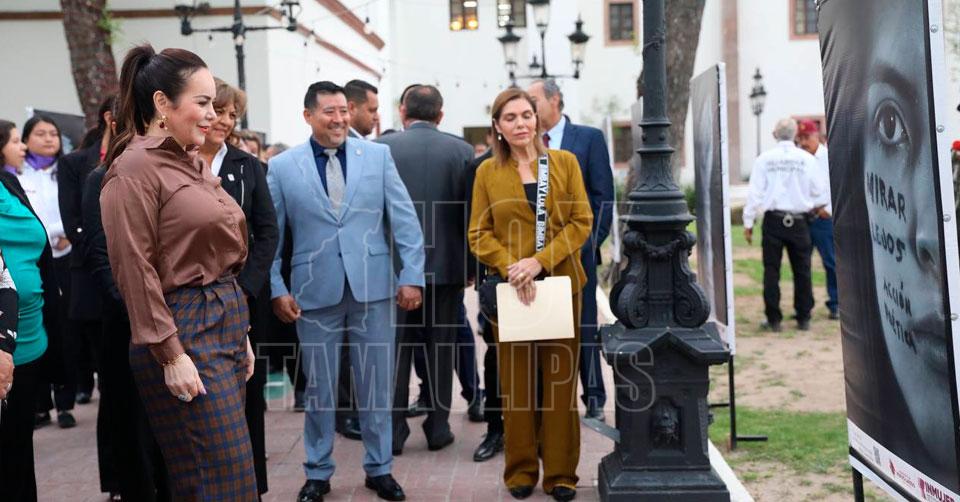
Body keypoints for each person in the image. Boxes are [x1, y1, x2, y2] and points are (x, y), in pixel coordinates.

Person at [99, 44, 258, 500]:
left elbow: (218, 251)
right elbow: (134, 269)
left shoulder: (191, 161)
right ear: (162, 104)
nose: (213, 115)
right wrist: (170, 354)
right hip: (182, 328)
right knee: (213, 479)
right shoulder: (133, 169)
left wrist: (240, 331)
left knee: (234, 477)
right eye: (202, 102)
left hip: (223, 322)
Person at [267, 81, 424, 502]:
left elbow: (405, 220)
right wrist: (276, 287)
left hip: (374, 290)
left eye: (343, 111)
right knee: (319, 389)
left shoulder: (377, 156)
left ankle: (380, 468)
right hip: (312, 293)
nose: (339, 119)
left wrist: (411, 275)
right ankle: (317, 472)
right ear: (308, 116)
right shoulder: (282, 167)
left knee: (376, 385)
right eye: (329, 112)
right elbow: (270, 237)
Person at [469, 88, 592, 501]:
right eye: (510, 118)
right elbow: (478, 233)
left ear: (537, 120)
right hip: (513, 292)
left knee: (559, 383)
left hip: (560, 285)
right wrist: (511, 266)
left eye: (526, 115)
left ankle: (561, 474)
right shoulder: (487, 173)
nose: (520, 123)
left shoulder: (564, 163)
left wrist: (540, 261)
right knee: (517, 385)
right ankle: (520, 469)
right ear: (498, 127)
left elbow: (581, 221)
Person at [376, 84, 473, 454]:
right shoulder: (462, 151)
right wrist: (469, 265)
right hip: (447, 266)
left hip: (395, 268)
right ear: (440, 114)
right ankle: (438, 427)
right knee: (441, 350)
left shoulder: (381, 148)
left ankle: (394, 430)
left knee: (395, 351)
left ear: (403, 112)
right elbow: (470, 214)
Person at [197, 77, 279, 498]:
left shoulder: (249, 167)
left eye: (233, 114)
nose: (226, 120)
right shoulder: (175, 162)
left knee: (248, 391)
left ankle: (252, 485)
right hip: (191, 297)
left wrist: (247, 287)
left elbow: (268, 231)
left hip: (243, 297)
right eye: (219, 111)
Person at [83, 151, 171, 502]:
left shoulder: (173, 171)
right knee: (132, 426)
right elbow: (101, 254)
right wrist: (136, 308)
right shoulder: (103, 178)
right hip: (127, 321)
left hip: (174, 316)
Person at [527, 78, 614, 422]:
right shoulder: (526, 143)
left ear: (555, 100)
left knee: (585, 325)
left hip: (578, 253)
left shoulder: (588, 139)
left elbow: (602, 197)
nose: (529, 108)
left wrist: (588, 244)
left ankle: (594, 396)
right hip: (534, 256)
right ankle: (549, 399)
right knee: (543, 328)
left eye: (534, 100)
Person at [56, 97, 120, 497]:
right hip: (95, 285)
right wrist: (108, 265)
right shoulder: (77, 164)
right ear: (112, 118)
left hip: (134, 284)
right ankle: (116, 478)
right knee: (110, 384)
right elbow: (74, 224)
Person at [0, 118, 55, 502]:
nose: (22, 147)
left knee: (19, 447)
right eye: (16, 140)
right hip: (3, 339)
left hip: (30, 336)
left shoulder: (10, 183)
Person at [17, 114, 78, 429]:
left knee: (64, 328)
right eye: (40, 133)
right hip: (31, 260)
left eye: (53, 133)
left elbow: (75, 210)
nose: (49, 139)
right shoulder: (16, 174)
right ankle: (41, 404)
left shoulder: (65, 171)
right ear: (26, 139)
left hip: (64, 256)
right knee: (34, 325)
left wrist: (64, 233)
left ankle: (65, 401)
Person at [335, 78, 383, 442]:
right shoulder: (341, 151)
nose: (376, 116)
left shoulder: (370, 152)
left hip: (364, 268)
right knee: (344, 349)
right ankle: (346, 412)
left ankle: (352, 410)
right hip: (338, 269)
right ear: (351, 109)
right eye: (372, 109)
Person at [743, 118, 825, 332]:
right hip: (799, 221)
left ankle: (773, 319)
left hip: (774, 221)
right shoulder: (807, 160)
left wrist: (748, 222)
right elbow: (819, 191)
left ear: (775, 134)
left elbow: (754, 194)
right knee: (803, 270)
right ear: (795, 134)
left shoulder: (764, 159)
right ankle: (803, 317)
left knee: (771, 270)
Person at [795, 119, 838, 320]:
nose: (804, 142)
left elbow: (837, 185)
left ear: (817, 136)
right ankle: (804, 307)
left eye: (807, 137)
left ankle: (835, 304)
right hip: (802, 217)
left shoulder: (829, 157)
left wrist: (828, 210)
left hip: (823, 218)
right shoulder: (798, 159)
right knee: (802, 265)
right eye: (800, 138)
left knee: (830, 262)